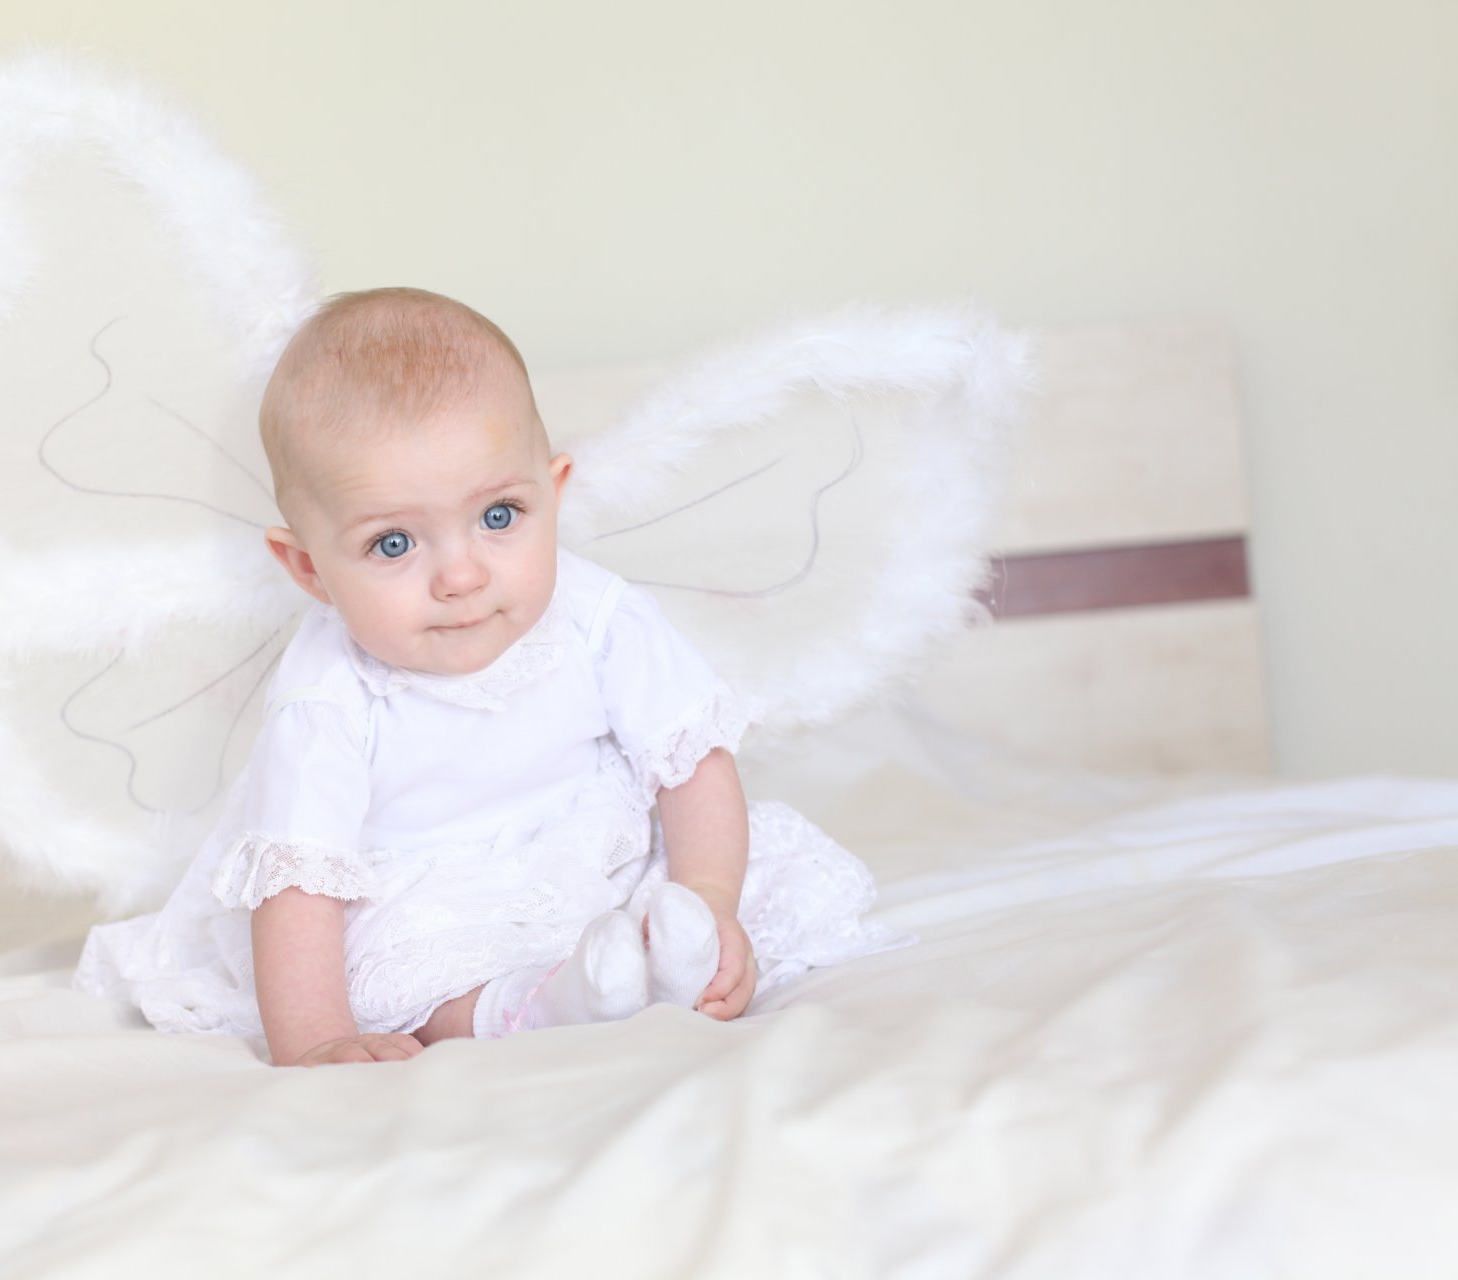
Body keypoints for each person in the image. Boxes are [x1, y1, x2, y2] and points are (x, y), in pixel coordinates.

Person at [74, 287, 901, 1065]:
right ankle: (541, 1004)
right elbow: (301, 884)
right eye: (393, 544)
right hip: (423, 890)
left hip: (590, 849)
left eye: (498, 517)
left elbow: (691, 767)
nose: (461, 576)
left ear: (554, 492)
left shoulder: (597, 612)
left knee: (727, 886)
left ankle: (674, 952)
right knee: (400, 989)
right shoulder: (326, 696)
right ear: (309, 569)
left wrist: (712, 900)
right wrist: (320, 1038)